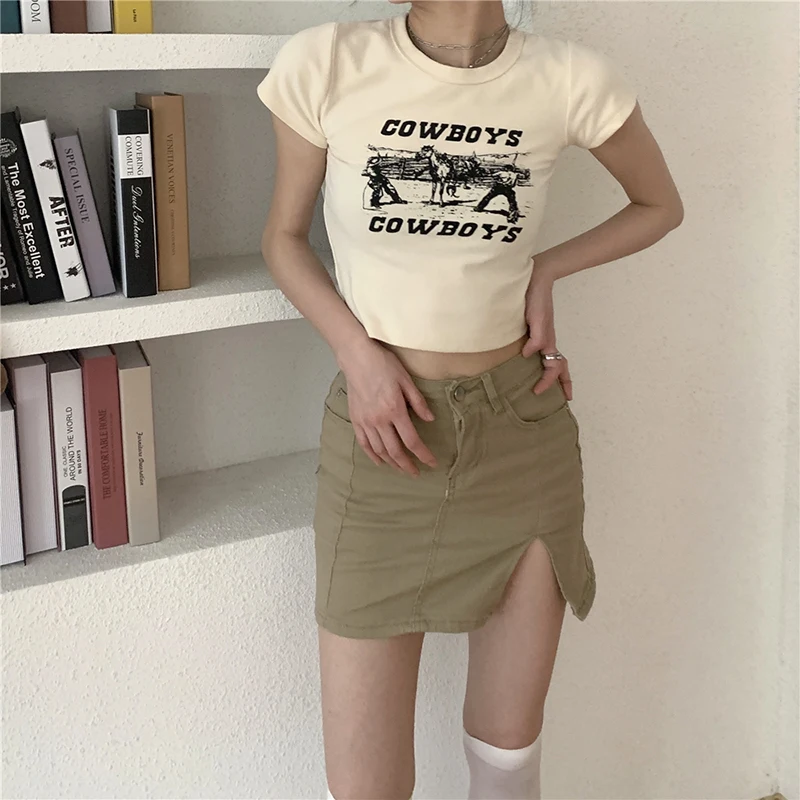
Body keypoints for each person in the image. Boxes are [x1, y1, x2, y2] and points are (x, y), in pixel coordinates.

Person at [257, 1, 683, 798]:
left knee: (507, 764)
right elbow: (283, 239)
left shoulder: (569, 78)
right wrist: (357, 353)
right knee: (365, 787)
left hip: (520, 433)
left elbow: (660, 205)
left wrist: (547, 270)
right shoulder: (327, 63)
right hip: (384, 440)